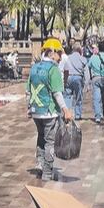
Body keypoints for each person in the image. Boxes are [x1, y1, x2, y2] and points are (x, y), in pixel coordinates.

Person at [26, 38, 74, 181]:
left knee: (41, 138)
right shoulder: (53, 70)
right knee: (49, 142)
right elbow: (57, 93)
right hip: (49, 111)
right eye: (59, 53)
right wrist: (65, 109)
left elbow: (28, 90)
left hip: (36, 111)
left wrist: (29, 106)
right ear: (52, 53)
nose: (60, 57)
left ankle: (40, 164)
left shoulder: (34, 68)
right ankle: (47, 172)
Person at [59, 42, 88, 120]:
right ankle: (78, 115)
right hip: (78, 78)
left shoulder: (68, 57)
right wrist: (87, 84)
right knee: (78, 97)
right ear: (80, 50)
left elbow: (64, 68)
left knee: (67, 96)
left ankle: (67, 113)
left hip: (68, 77)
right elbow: (86, 73)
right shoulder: (83, 59)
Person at [87, 44, 104, 124]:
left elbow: (88, 67)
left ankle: (97, 117)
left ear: (98, 48)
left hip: (95, 78)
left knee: (96, 98)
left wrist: (90, 77)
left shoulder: (93, 57)